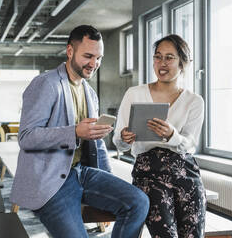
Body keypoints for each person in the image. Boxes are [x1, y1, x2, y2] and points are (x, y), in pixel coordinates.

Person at [10, 25, 149, 238]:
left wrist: (108, 181)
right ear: (70, 51)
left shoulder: (90, 93)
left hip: (81, 173)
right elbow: (27, 137)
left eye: (99, 58)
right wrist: (74, 131)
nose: (94, 64)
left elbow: (97, 144)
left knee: (138, 202)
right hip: (51, 182)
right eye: (88, 56)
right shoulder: (46, 84)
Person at [113, 34, 206, 238]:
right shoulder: (134, 93)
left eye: (169, 58)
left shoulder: (194, 101)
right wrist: (124, 138)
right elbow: (118, 143)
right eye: (157, 57)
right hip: (149, 172)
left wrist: (173, 135)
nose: (162, 63)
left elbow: (190, 144)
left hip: (185, 172)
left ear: (183, 63)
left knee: (193, 235)